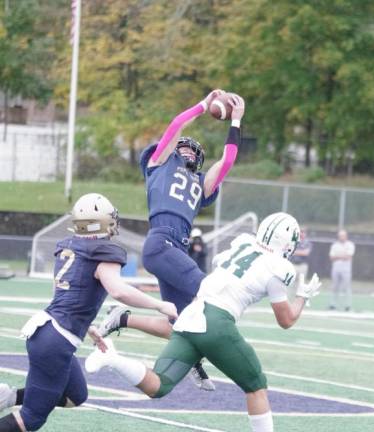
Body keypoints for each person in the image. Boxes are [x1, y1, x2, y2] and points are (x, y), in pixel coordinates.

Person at [84, 212, 321, 432]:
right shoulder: (278, 267)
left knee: (159, 385)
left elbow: (220, 263)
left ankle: (112, 359)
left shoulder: (242, 245)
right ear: (286, 243)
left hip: (191, 316)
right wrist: (303, 297)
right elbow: (286, 320)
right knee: (256, 386)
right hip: (217, 322)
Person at [97, 89, 245, 391]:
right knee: (212, 293)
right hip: (160, 241)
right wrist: (204, 105)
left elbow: (227, 161)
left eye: (194, 150)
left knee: (177, 322)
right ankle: (207, 360)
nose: (189, 151)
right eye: (184, 148)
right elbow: (177, 125)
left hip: (177, 249)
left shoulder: (201, 183)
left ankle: (122, 319)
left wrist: (237, 122)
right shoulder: (160, 164)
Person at [0, 193, 177, 432]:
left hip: (46, 329)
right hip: (56, 340)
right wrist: (160, 305)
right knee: (31, 418)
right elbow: (119, 291)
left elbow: (64, 292)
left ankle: (7, 397)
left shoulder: (69, 246)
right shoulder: (104, 251)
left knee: (76, 395)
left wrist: (88, 326)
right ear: (105, 222)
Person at [329, 229, 355, 311]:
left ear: (346, 236)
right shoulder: (335, 245)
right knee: (335, 287)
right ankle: (333, 305)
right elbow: (332, 257)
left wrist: (338, 256)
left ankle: (347, 305)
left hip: (346, 269)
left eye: (343, 235)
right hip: (336, 269)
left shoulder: (350, 245)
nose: (341, 237)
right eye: (340, 236)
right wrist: (342, 256)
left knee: (346, 287)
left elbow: (348, 257)